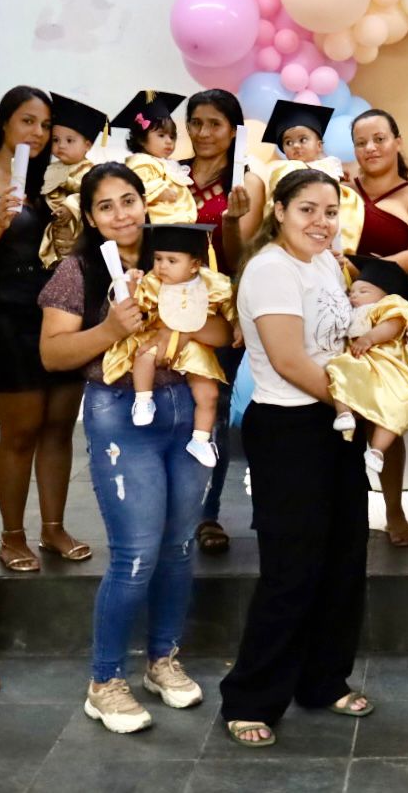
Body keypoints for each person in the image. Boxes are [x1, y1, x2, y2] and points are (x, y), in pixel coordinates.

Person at [219, 169, 408, 745]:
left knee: (343, 558)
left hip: (335, 419)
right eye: (307, 210)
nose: (321, 222)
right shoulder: (269, 270)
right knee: (291, 569)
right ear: (280, 212)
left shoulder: (324, 265)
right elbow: (290, 359)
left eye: (331, 212)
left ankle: (323, 679)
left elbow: (340, 336)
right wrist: (358, 399)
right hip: (290, 424)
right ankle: (251, 697)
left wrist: (392, 339)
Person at [39, 164, 230, 733]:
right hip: (120, 413)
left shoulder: (174, 256)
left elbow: (223, 333)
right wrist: (111, 330)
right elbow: (53, 355)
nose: (121, 214)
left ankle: (163, 660)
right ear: (90, 216)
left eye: (129, 200)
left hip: (187, 410)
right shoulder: (76, 272)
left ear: (146, 203)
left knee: (176, 547)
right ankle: (104, 681)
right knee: (136, 553)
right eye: (106, 206)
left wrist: (181, 322)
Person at [0, 86, 90, 572]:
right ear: (5, 123)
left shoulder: (58, 178)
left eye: (46, 123)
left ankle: (52, 528)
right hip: (9, 319)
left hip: (63, 317)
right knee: (20, 432)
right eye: (27, 121)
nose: (38, 132)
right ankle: (12, 536)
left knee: (58, 428)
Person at [349, 109, 408, 547]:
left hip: (391, 318)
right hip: (339, 312)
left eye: (379, 139)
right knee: (340, 413)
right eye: (361, 141)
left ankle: (393, 511)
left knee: (387, 415)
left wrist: (358, 270)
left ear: (397, 142)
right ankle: (342, 512)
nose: (370, 148)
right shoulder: (339, 192)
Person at [182, 88, 267, 554]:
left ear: (233, 131)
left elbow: (240, 258)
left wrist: (232, 222)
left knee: (212, 414)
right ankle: (174, 507)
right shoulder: (170, 177)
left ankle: (208, 512)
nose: (203, 133)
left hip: (223, 311)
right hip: (171, 310)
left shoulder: (248, 183)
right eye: (195, 123)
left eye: (214, 124)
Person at [104, 223, 234, 468]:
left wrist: (236, 324)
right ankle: (143, 400)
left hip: (195, 345)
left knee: (209, 393)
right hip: (158, 337)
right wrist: (131, 287)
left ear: (195, 264)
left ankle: (200, 439)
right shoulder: (153, 283)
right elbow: (138, 306)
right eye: (158, 258)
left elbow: (229, 306)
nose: (162, 266)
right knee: (143, 356)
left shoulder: (212, 283)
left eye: (172, 261)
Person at [326, 255, 408, 475]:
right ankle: (344, 414)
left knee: (395, 406)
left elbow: (393, 324)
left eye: (364, 292)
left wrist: (369, 338)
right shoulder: (351, 310)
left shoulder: (389, 305)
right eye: (352, 291)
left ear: (386, 294)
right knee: (338, 369)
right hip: (361, 362)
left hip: (389, 364)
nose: (355, 296)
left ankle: (378, 451)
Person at [259, 98, 365, 255]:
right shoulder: (285, 168)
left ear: (319, 146)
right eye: (288, 142)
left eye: (303, 140)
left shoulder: (330, 165)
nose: (295, 145)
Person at [39, 93, 107, 268]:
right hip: (55, 227)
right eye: (56, 140)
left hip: (79, 229)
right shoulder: (51, 169)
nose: (61, 145)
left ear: (87, 145)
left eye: (69, 140)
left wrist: (70, 206)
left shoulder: (91, 170)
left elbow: (89, 194)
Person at [111, 90, 198, 225]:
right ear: (141, 139)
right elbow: (135, 187)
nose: (169, 141)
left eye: (172, 136)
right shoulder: (141, 163)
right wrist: (159, 192)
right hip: (155, 224)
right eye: (161, 135)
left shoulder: (167, 164)